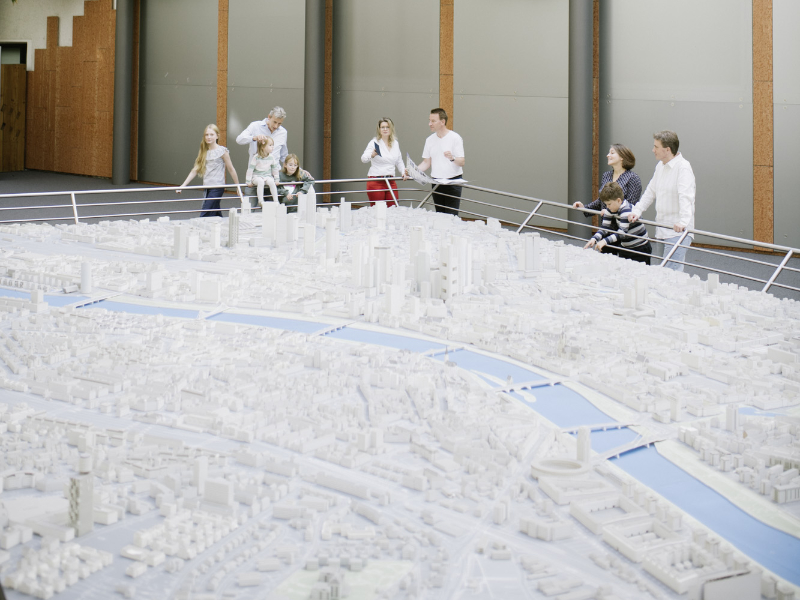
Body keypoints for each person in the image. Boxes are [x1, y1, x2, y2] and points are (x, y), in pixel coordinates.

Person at [628, 131, 696, 272]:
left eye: (656, 147)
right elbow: (650, 192)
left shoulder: (683, 167)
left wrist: (683, 222)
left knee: (669, 274)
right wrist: (637, 210)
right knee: (661, 273)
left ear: (667, 150)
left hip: (678, 232)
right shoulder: (660, 166)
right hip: (661, 229)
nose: (653, 150)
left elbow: (686, 197)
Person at [177, 124, 243, 218]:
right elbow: (195, 170)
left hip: (217, 187)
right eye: (206, 135)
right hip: (207, 186)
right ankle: (220, 222)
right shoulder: (204, 151)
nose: (209, 137)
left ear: (217, 136)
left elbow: (231, 169)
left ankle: (201, 224)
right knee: (214, 211)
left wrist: (238, 187)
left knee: (206, 212)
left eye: (211, 134)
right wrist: (183, 186)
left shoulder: (222, 151)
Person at [584, 182, 652, 265]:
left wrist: (604, 241)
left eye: (609, 204)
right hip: (625, 246)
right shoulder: (610, 209)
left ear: (619, 200)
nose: (607, 207)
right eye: (606, 204)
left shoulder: (626, 210)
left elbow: (622, 233)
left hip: (640, 248)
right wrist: (594, 238)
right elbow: (605, 228)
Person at [416, 108, 465, 216]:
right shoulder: (429, 140)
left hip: (453, 182)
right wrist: (412, 171)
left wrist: (452, 158)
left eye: (433, 121)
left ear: (442, 122)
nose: (430, 124)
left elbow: (461, 162)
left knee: (451, 216)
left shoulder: (455, 138)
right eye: (429, 120)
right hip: (436, 182)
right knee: (440, 215)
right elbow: (426, 162)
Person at [236, 106, 289, 207]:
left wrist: (299, 169)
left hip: (273, 178)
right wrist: (254, 138)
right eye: (274, 122)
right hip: (255, 177)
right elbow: (239, 139)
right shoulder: (255, 126)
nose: (276, 126)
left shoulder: (283, 132)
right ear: (269, 117)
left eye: (279, 123)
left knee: (273, 210)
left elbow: (284, 156)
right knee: (248, 209)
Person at [573, 144, 642, 215]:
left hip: (623, 221)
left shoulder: (633, 178)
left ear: (622, 156)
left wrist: (609, 212)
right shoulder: (606, 175)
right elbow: (601, 201)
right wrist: (584, 208)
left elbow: (631, 205)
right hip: (606, 221)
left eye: (612, 153)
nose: (608, 155)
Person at [360, 118, 407, 207]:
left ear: (391, 128)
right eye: (382, 127)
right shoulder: (374, 142)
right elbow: (363, 159)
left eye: (387, 127)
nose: (385, 129)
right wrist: (372, 155)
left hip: (391, 181)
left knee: (393, 208)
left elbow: (399, 161)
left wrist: (403, 172)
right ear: (379, 129)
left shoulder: (395, 143)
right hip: (376, 181)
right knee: (378, 210)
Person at [245, 137, 280, 207]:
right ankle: (261, 200)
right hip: (256, 176)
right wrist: (248, 181)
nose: (272, 147)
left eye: (273, 145)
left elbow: (275, 169)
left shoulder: (271, 157)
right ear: (263, 147)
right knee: (260, 182)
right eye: (270, 145)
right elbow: (250, 169)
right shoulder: (256, 157)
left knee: (272, 182)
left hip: (267, 176)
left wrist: (276, 179)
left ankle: (276, 200)